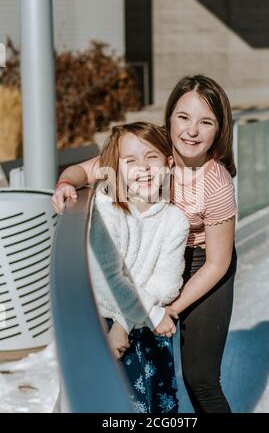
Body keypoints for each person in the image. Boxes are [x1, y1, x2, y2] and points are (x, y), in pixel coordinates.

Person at [52, 74, 238, 413]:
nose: (191, 131)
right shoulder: (151, 147)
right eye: (183, 117)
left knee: (200, 378)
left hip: (202, 260)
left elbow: (218, 262)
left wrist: (168, 310)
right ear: (169, 118)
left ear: (219, 130)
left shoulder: (217, 183)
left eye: (205, 122)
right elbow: (90, 170)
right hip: (153, 250)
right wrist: (66, 183)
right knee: (128, 363)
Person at [84, 122, 190, 413]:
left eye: (151, 157)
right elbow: (105, 277)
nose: (142, 168)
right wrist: (140, 316)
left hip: (146, 324)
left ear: (168, 163)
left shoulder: (175, 221)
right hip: (105, 322)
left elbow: (167, 284)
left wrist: (125, 323)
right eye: (130, 161)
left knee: (159, 402)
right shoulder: (107, 208)